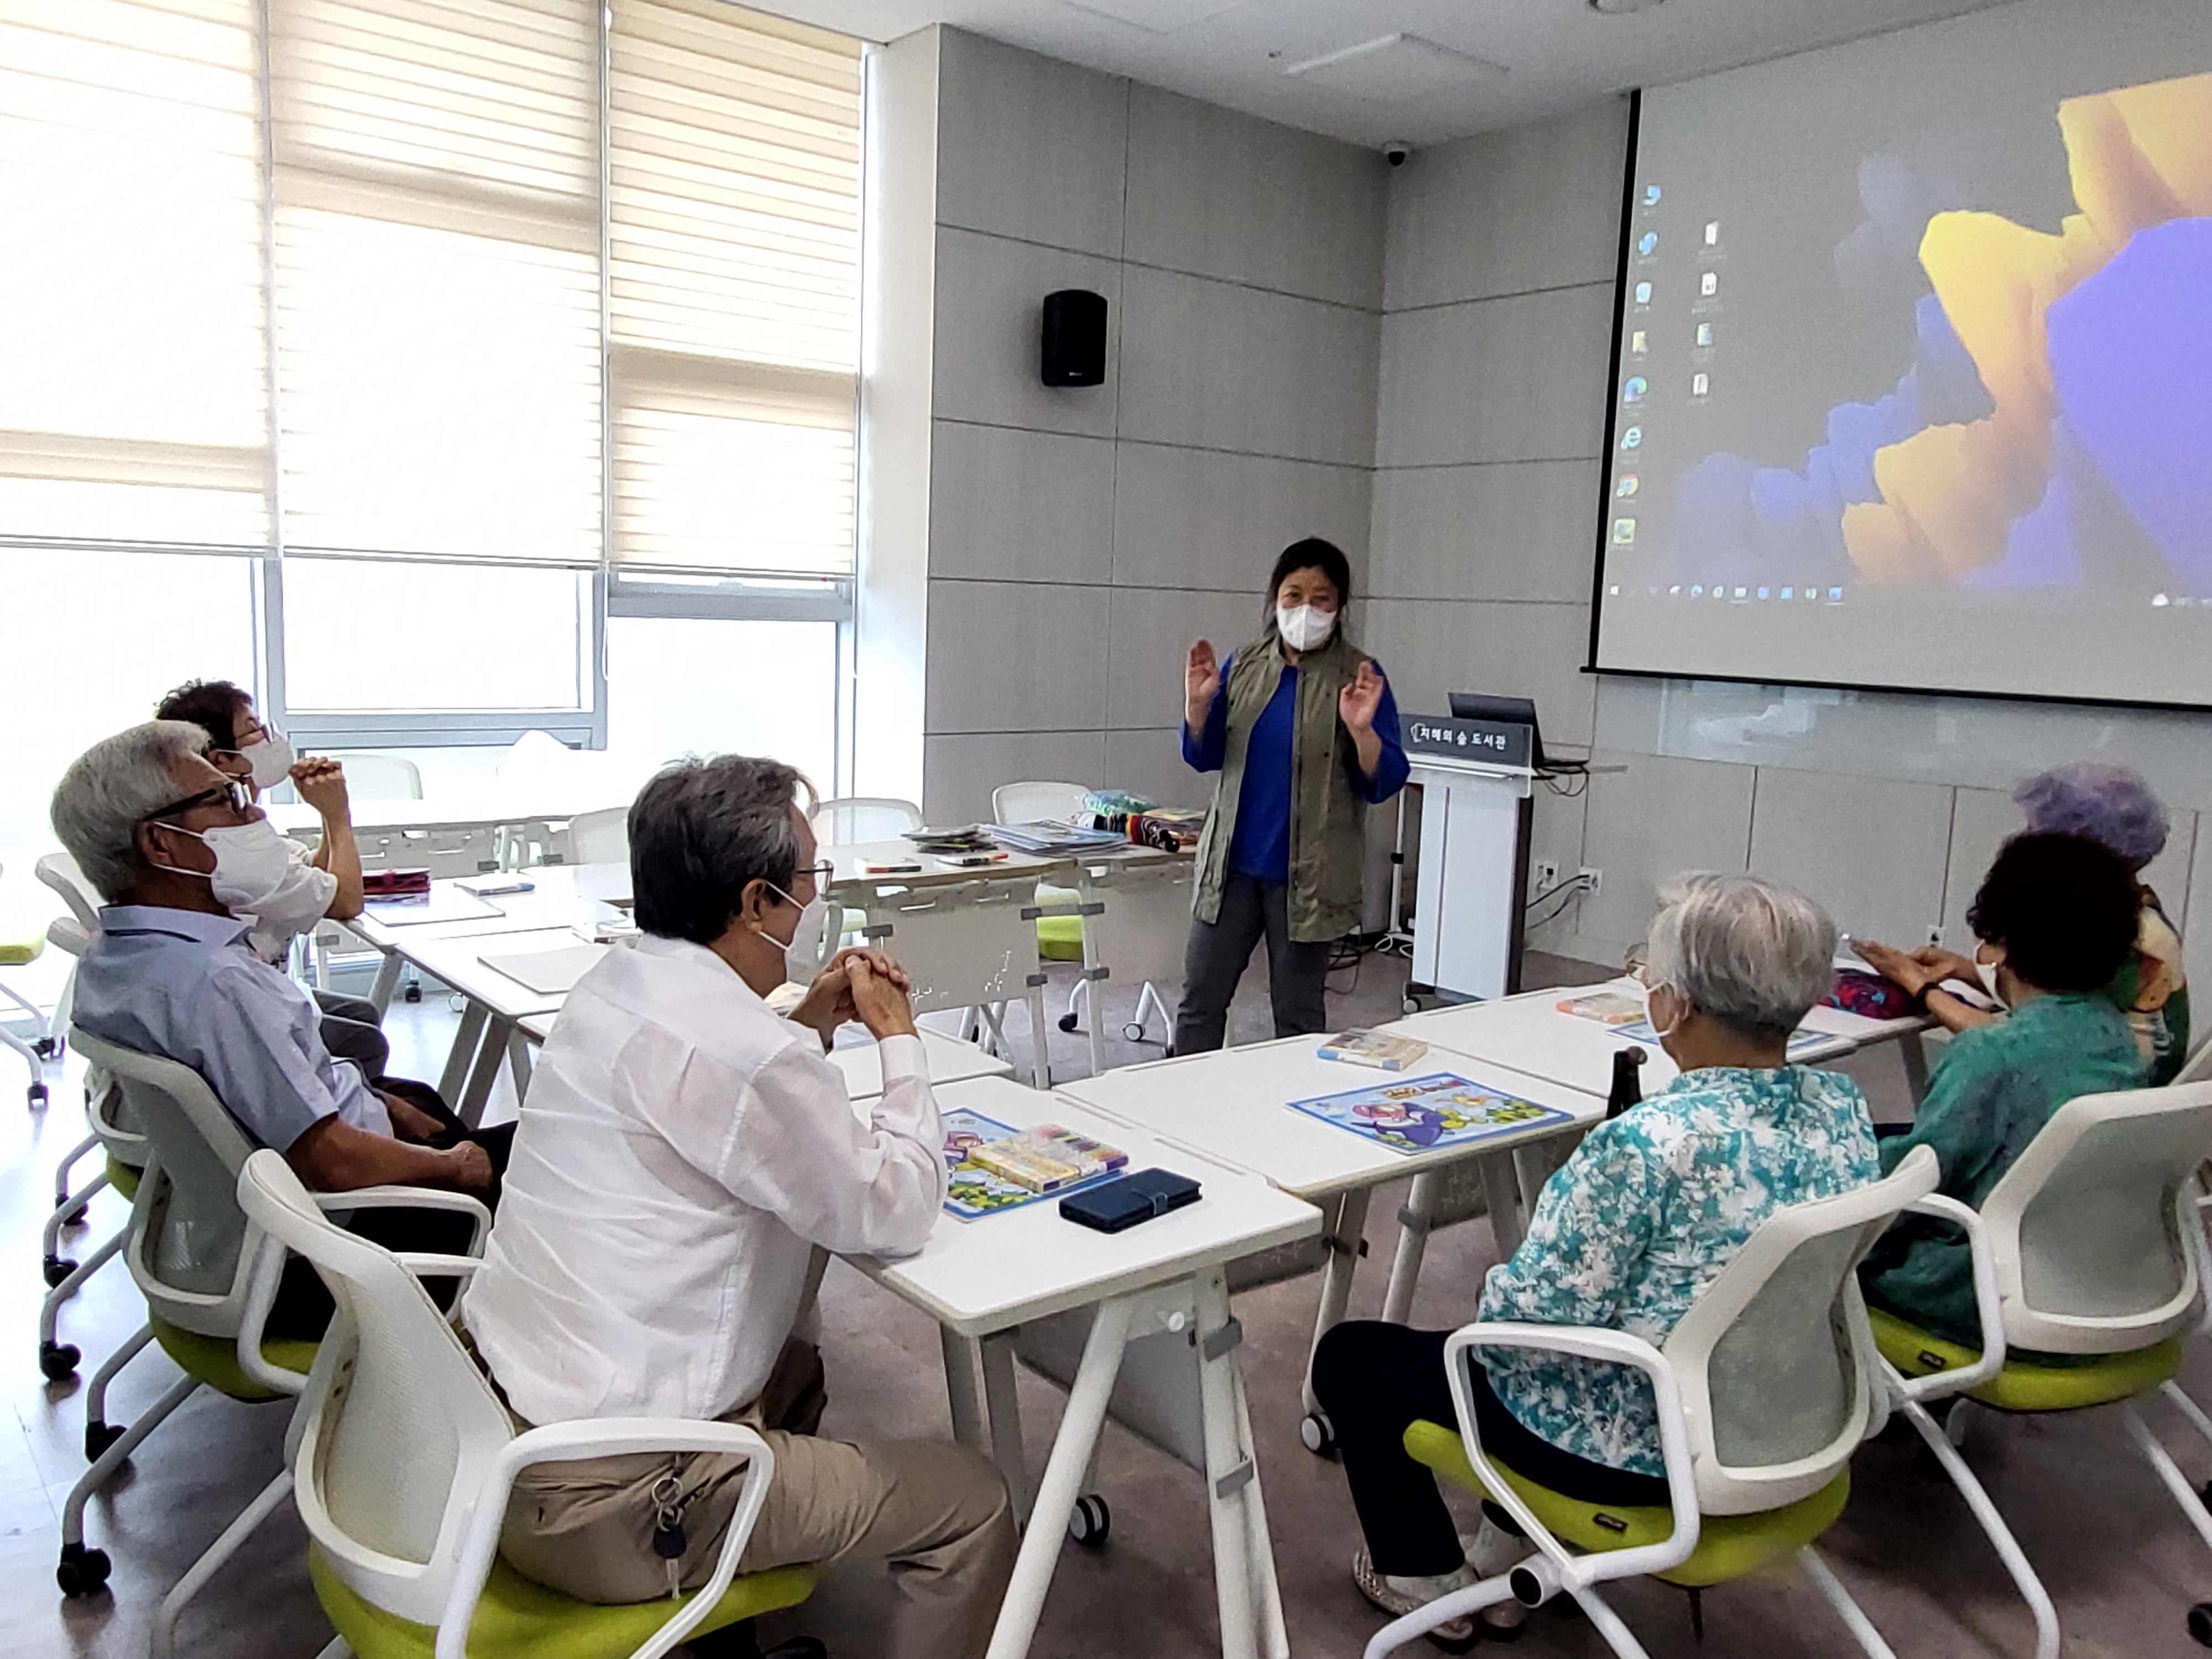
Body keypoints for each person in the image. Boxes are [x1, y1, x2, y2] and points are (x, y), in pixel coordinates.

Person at [462, 755, 1015, 1658]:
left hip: (497, 1427)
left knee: (797, 1370)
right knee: (972, 1504)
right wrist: (901, 1043)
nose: (815, 895)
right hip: (610, 1503)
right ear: (758, 902)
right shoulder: (747, 1054)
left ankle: (723, 1628)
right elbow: (897, 1207)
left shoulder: (614, 984)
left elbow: (716, 1103)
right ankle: (703, 1573)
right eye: (807, 876)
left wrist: (808, 1024)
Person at [1312, 874, 1879, 1642]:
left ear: (1673, 1006)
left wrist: (1498, 1286)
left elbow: (1524, 1326)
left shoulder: (1646, 1144)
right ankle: (1509, 1556)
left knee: (1357, 1358)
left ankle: (1424, 1578)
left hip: (1637, 1454)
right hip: (1788, 1420)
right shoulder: (1841, 1109)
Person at [51, 720, 504, 1336]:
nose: (255, 814)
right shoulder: (217, 984)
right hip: (340, 1252)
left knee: (434, 1106)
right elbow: (335, 1163)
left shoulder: (117, 956)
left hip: (250, 1240)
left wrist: (379, 1104)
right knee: (574, 1161)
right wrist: (453, 1168)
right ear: (161, 844)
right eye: (228, 799)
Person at [1858, 831, 2147, 1348]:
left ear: (2002, 941)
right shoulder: (2115, 1036)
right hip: (2093, 1282)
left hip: (1973, 1294)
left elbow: (1904, 1187)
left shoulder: (1991, 1056)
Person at [1176, 536, 1409, 1052]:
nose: (1306, 610)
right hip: (1231, 870)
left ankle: (1292, 1102)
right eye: (1294, 596)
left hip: (1309, 880)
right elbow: (1204, 756)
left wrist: (1363, 732)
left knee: (1298, 1018)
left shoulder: (1359, 676)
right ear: (1275, 599)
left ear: (1340, 607)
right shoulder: (1246, 664)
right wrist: (1197, 708)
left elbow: (1385, 781)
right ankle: (1186, 1094)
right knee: (1199, 1003)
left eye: (1321, 599)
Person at [1854, 763, 2189, 1083]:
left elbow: (2022, 1045)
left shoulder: (2120, 934)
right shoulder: (2136, 913)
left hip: (2100, 1089)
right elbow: (2051, 1003)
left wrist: (1918, 985)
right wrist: (1964, 970)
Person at [154, 678, 385, 1076]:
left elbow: (309, 875)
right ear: (220, 759)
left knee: (360, 1013)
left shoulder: (219, 825)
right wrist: (338, 816)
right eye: (253, 729)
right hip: (239, 1010)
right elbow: (345, 902)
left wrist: (324, 813)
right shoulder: (228, 849)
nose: (268, 737)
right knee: (364, 1040)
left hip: (244, 991)